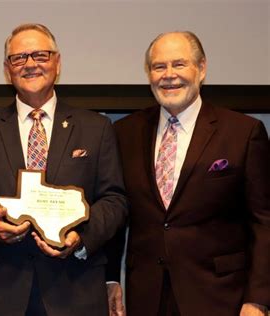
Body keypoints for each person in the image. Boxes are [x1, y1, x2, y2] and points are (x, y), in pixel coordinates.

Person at [0, 23, 128, 316]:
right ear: (8, 69)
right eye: (19, 58)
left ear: (57, 62)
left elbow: (115, 200)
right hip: (1, 294)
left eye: (40, 55)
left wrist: (82, 238)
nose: (30, 64)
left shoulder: (96, 128)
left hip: (76, 289)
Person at [109, 31, 269, 315]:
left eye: (179, 64)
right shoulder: (125, 132)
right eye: (159, 67)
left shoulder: (243, 132)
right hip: (147, 296)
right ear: (149, 74)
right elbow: (116, 210)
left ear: (202, 68)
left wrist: (258, 298)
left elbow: (264, 221)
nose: (169, 75)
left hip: (220, 297)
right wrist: (111, 278)